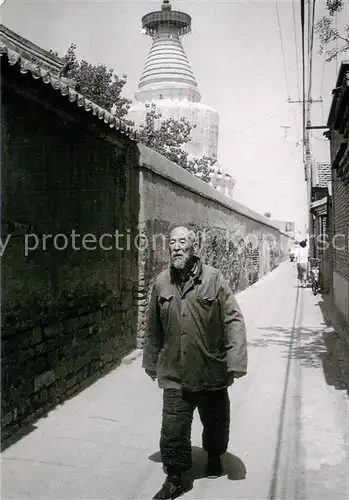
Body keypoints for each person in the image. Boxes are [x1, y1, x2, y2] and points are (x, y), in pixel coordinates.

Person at [142, 226, 248, 500]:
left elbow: (233, 319)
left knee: (215, 424)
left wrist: (235, 360)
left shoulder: (214, 279)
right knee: (173, 427)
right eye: (172, 243)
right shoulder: (161, 282)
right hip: (174, 370)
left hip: (210, 368)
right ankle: (175, 478)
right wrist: (150, 361)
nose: (176, 247)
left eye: (182, 242)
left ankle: (214, 456)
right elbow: (153, 326)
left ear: (194, 247)